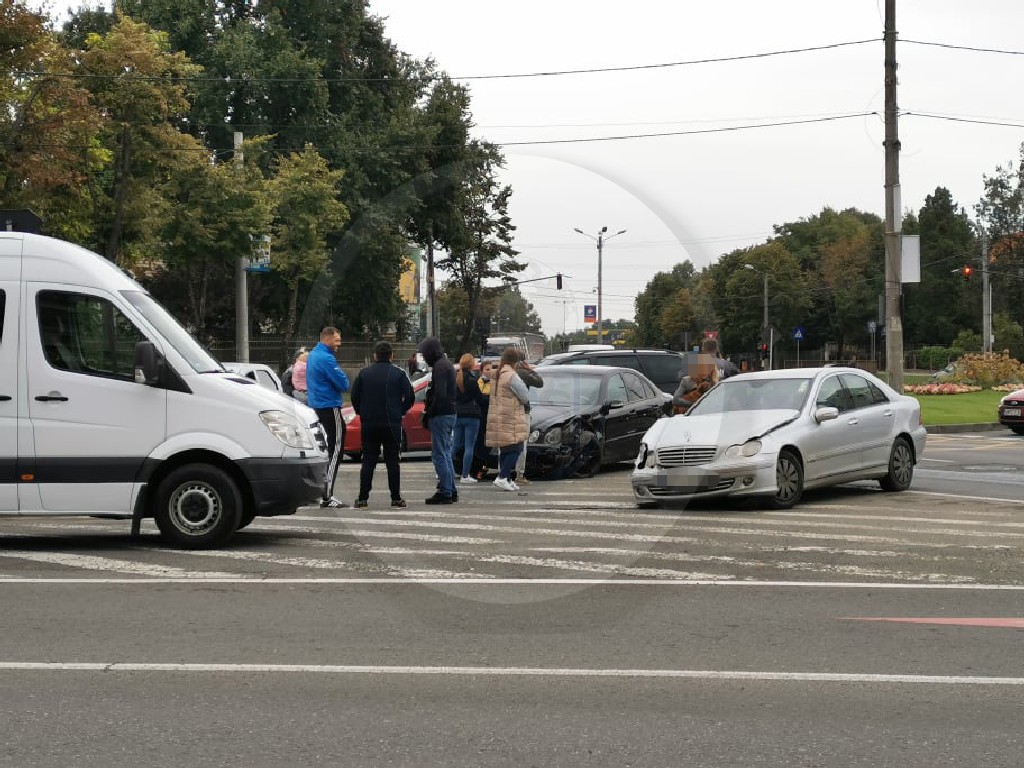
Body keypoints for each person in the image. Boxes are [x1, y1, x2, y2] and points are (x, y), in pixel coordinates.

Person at [350, 341, 414, 509]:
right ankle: (395, 497)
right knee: (393, 461)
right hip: (392, 423)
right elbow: (410, 396)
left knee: (368, 460)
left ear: (375, 356)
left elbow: (355, 397)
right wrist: (400, 410)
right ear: (392, 355)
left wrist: (361, 412)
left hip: (369, 423)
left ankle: (363, 498)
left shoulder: (364, 374)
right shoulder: (399, 374)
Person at [306, 326, 350, 509]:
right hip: (329, 406)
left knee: (322, 450)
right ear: (327, 339)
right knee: (335, 450)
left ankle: (319, 492)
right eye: (337, 340)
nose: (339, 344)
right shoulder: (326, 358)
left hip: (316, 406)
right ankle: (327, 494)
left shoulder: (313, 355)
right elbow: (344, 383)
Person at [417, 337, 457, 504]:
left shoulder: (439, 367)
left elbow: (440, 394)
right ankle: (451, 489)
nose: (424, 357)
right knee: (446, 452)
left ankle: (445, 491)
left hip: (440, 414)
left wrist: (429, 413)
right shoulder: (447, 364)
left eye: (424, 353)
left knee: (439, 454)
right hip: (450, 413)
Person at [486, 347, 531, 492]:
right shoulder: (512, 375)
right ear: (515, 362)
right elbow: (524, 396)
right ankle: (503, 477)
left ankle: (508, 479)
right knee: (516, 448)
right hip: (511, 416)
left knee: (505, 449)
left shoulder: (497, 374)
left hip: (498, 414)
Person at [511, 350, 543, 485]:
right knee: (522, 443)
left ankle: (503, 474)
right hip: (523, 411)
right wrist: (531, 370)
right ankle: (520, 474)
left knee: (505, 444)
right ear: (523, 361)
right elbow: (540, 383)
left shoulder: (504, 373)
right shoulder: (523, 373)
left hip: (507, 411)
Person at [453, 353, 484, 484]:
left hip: (458, 415)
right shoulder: (472, 380)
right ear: (471, 364)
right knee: (469, 446)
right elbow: (480, 398)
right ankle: (465, 475)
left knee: (455, 445)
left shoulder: (456, 379)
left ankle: (444, 471)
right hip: (472, 415)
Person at [470, 359, 495, 481]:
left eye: (491, 369)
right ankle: (477, 470)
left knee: (489, 444)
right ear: (482, 371)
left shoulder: (495, 383)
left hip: (491, 417)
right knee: (478, 444)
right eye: (487, 369)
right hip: (480, 417)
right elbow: (477, 399)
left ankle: (485, 466)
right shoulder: (478, 382)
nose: (490, 372)